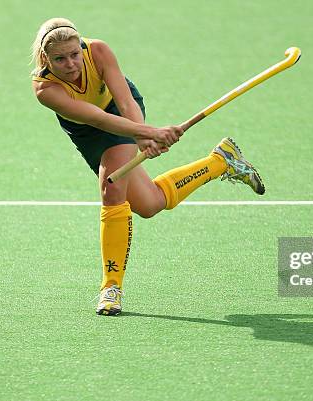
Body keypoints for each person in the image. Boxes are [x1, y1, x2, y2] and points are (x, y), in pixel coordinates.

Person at [30, 18, 265, 316]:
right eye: (60, 59)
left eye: (75, 54)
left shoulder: (98, 51)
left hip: (120, 108)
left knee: (111, 187)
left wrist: (142, 134)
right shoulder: (45, 89)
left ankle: (110, 288)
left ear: (81, 47)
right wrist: (148, 136)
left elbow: (125, 103)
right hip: (89, 129)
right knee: (149, 203)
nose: (71, 64)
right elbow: (96, 120)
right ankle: (221, 161)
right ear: (45, 58)